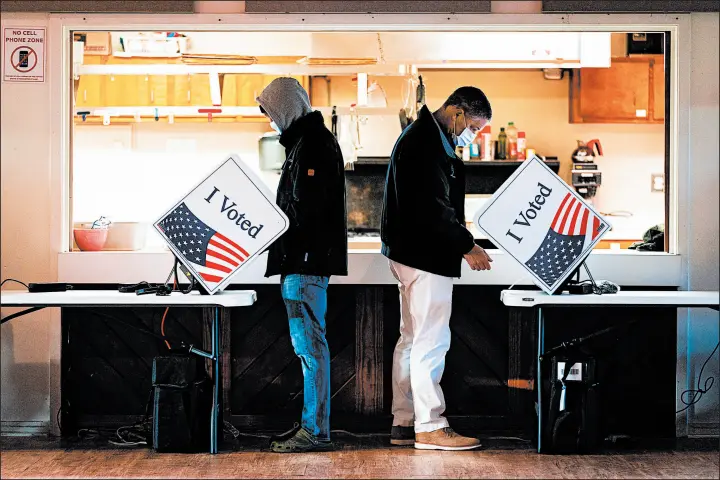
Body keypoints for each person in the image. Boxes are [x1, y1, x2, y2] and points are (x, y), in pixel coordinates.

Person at [381, 86, 494, 451]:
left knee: (412, 339)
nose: (472, 135)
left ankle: (404, 421)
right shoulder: (425, 144)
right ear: (457, 112)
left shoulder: (422, 138)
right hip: (426, 254)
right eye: (474, 126)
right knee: (431, 340)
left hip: (411, 252)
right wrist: (466, 244)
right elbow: (432, 209)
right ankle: (429, 425)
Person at [257, 77, 347, 453]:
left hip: (303, 266)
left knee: (310, 348)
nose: (271, 122)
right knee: (311, 348)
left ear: (285, 108)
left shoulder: (312, 146)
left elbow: (305, 210)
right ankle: (314, 426)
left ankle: (314, 430)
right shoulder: (309, 142)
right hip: (304, 264)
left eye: (272, 113)